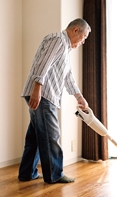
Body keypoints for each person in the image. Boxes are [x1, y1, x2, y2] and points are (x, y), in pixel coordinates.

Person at [18, 18, 91, 184]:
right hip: (43, 94)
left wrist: (79, 97)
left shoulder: (65, 49)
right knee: (52, 135)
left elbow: (68, 76)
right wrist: (37, 89)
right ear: (75, 30)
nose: (83, 42)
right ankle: (54, 174)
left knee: (36, 136)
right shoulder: (57, 39)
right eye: (84, 37)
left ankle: (27, 173)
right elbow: (42, 63)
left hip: (45, 94)